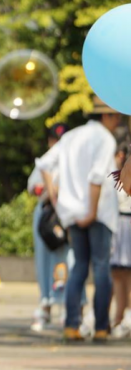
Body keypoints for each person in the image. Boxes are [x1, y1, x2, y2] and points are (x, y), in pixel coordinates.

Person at [36, 95, 121, 342]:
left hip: (72, 212)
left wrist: (55, 196)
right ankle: (102, 327)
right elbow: (97, 177)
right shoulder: (104, 138)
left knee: (79, 267)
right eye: (115, 116)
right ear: (106, 116)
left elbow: (44, 163)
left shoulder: (72, 136)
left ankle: (72, 325)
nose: (118, 122)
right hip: (98, 212)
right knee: (102, 267)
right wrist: (92, 211)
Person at [27, 123, 70, 331]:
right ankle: (45, 303)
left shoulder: (73, 159)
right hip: (46, 215)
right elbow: (32, 186)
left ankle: (68, 306)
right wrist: (44, 188)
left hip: (67, 214)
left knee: (67, 260)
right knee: (44, 260)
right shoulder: (45, 160)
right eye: (55, 140)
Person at [110, 142, 131, 339]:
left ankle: (122, 317)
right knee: (120, 273)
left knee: (122, 275)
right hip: (121, 222)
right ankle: (120, 316)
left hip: (125, 222)